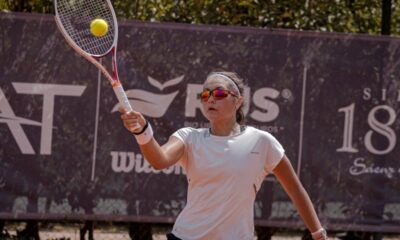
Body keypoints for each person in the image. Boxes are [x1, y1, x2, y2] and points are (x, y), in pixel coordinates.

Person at [119, 71, 328, 240]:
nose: (211, 99)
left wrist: (318, 234)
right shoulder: (189, 137)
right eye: (205, 95)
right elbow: (159, 160)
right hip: (186, 237)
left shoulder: (262, 141)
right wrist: (142, 131)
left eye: (219, 94)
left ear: (237, 101)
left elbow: (295, 190)